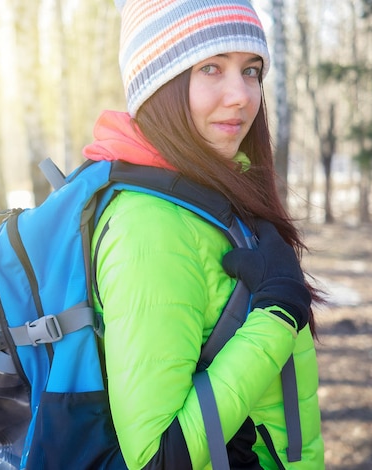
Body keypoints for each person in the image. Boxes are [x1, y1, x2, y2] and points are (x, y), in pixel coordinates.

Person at [82, 0, 325, 468]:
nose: (241, 95)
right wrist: (277, 316)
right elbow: (156, 458)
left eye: (251, 70)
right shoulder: (148, 226)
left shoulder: (215, 198)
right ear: (159, 84)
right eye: (211, 67)